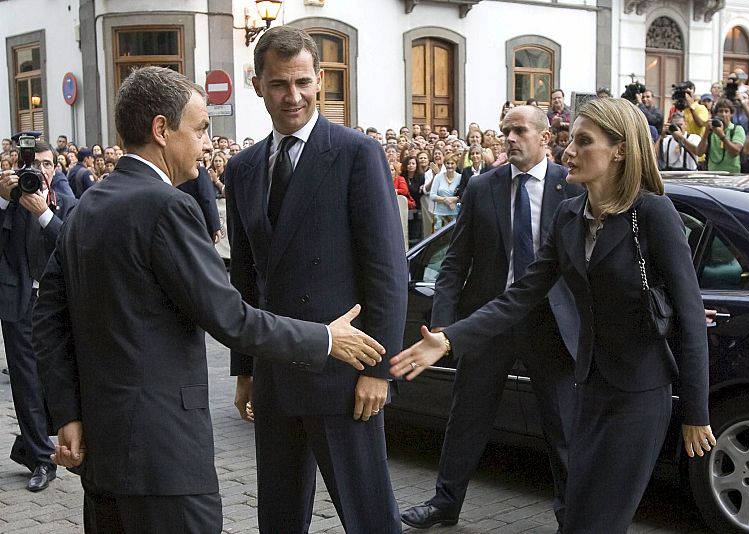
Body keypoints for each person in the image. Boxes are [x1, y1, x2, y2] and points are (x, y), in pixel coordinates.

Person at [32, 66, 386, 534]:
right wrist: (325, 338)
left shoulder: (86, 208)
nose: (206, 144)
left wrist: (68, 413)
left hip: (103, 457)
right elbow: (230, 317)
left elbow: (48, 321)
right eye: (199, 129)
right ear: (161, 130)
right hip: (166, 460)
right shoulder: (167, 206)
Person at [390, 97, 716, 534]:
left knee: (599, 521)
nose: (569, 152)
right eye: (570, 140)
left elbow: (691, 318)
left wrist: (696, 412)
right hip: (592, 389)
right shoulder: (569, 216)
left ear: (619, 150)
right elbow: (519, 295)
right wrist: (449, 339)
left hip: (639, 395)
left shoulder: (652, 212)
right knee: (578, 517)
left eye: (584, 142)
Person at [226, 26, 407, 533]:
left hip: (344, 375)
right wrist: (245, 368)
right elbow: (246, 277)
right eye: (279, 84)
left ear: (320, 79)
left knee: (369, 517)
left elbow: (387, 271)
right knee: (279, 518)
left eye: (303, 81)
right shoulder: (242, 169)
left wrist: (379, 372)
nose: (293, 96)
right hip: (275, 372)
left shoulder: (355, 153)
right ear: (257, 85)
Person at [400, 105, 581, 531]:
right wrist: (444, 326)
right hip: (488, 322)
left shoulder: (571, 187)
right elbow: (454, 262)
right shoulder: (483, 187)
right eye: (505, 131)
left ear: (545, 138)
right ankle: (445, 503)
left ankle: (572, 515)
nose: (510, 138)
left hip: (550, 324)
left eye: (520, 131)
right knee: (467, 416)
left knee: (562, 425)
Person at [0, 137, 78, 492]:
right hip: (19, 302)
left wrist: (43, 213)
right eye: (33, 165)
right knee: (27, 382)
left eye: (47, 165)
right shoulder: (12, 200)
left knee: (60, 375)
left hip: (56, 303)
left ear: (56, 167)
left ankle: (36, 444)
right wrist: (5, 199)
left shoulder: (66, 200)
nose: (40, 172)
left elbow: (72, 244)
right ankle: (42, 459)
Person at [697, 98, 746, 173]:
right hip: (713, 173)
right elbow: (699, 152)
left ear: (731, 114)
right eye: (720, 111)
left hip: (732, 174)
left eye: (726, 111)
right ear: (716, 114)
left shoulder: (736, 129)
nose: (723, 114)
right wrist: (706, 133)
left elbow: (735, 152)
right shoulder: (711, 131)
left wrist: (722, 136)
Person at [429, 153, 461, 230]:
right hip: (439, 214)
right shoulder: (438, 177)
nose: (450, 166)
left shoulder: (460, 177)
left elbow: (463, 195)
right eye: (447, 163)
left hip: (455, 214)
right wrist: (447, 200)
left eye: (452, 163)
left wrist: (453, 199)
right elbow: (432, 196)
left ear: (456, 164)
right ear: (444, 164)